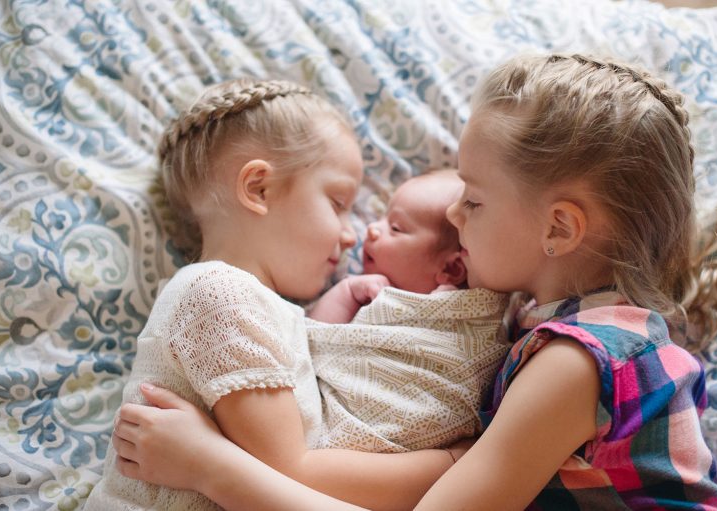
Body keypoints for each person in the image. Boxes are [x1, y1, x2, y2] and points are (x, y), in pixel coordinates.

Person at [109, 54, 717, 510]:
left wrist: (211, 466)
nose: (450, 215)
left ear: (558, 228)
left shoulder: (578, 362)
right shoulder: (550, 333)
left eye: (472, 200)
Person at [86, 78, 507, 511]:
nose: (351, 235)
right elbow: (296, 471)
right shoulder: (216, 293)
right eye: (338, 203)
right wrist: (458, 462)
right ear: (259, 189)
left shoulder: (263, 308)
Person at [308, 170, 512, 452]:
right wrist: (345, 292)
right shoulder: (363, 292)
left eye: (396, 228)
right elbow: (311, 342)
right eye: (383, 217)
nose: (372, 229)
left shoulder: (464, 312)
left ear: (451, 269)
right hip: (337, 419)